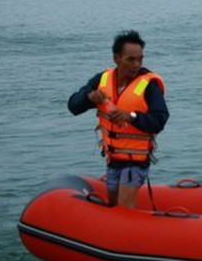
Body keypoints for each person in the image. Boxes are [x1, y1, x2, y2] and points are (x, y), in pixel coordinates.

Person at [68, 30, 169, 208]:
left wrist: (131, 117)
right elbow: (73, 106)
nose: (136, 64)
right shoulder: (102, 80)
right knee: (113, 206)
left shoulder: (149, 85)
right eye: (131, 59)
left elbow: (159, 120)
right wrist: (90, 98)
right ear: (117, 58)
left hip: (136, 161)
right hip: (113, 159)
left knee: (124, 209)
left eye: (140, 59)